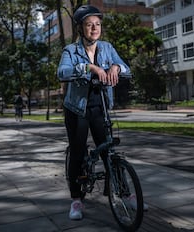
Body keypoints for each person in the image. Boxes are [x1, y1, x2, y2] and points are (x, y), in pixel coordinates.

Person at [57, 5, 132, 220]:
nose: (94, 28)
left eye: (97, 25)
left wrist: (116, 68)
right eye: (89, 25)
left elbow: (126, 68)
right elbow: (62, 72)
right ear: (81, 28)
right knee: (78, 152)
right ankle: (76, 200)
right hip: (77, 109)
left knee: (109, 151)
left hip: (101, 106)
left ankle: (125, 195)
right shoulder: (71, 51)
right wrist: (89, 68)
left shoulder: (107, 48)